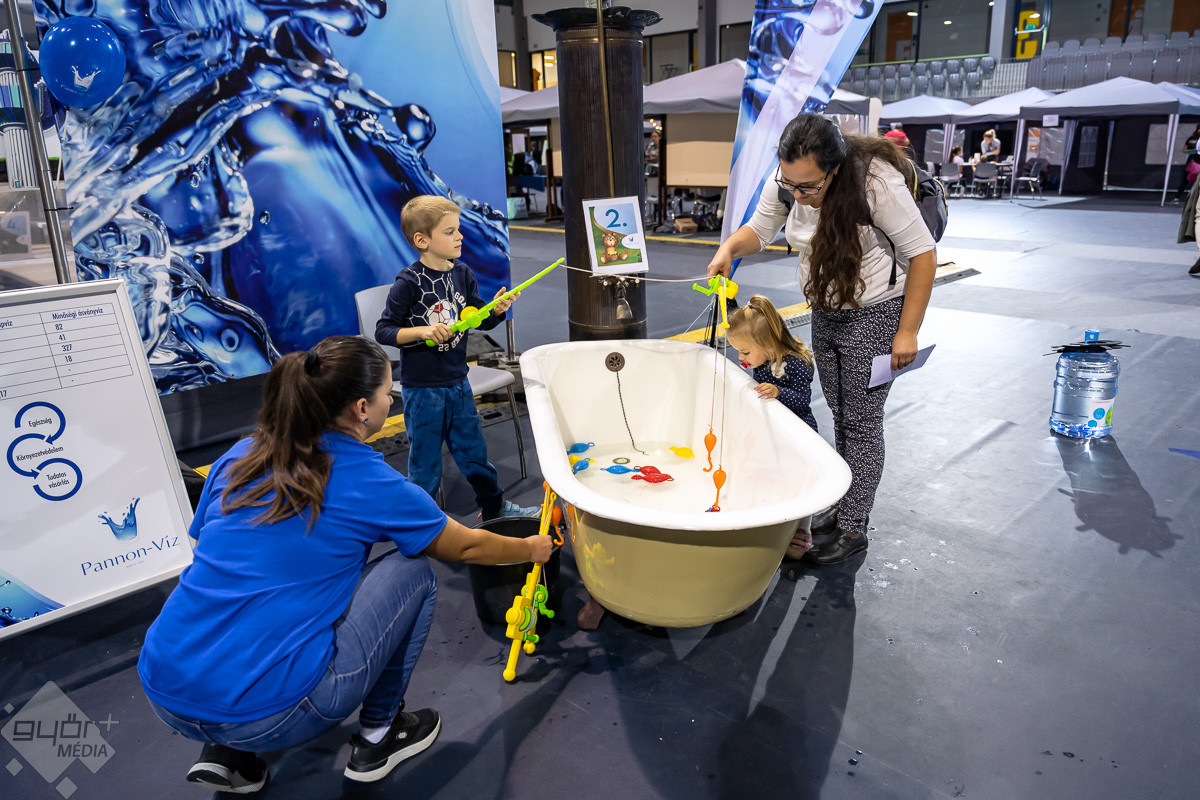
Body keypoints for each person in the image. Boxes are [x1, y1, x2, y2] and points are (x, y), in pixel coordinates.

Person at [138, 336, 555, 792]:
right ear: (361, 409)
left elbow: (205, 549)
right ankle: (380, 735)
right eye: (387, 393)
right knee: (413, 571)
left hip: (164, 688)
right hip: (272, 715)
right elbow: (467, 548)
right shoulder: (371, 481)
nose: (391, 401)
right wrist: (531, 548)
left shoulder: (239, 456)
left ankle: (227, 753)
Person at [706, 113, 937, 565]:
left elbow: (923, 254)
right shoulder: (789, 180)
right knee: (840, 413)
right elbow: (760, 230)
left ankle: (853, 527)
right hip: (826, 309)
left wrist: (907, 331)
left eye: (808, 187)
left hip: (876, 311)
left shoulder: (876, 184)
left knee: (862, 422)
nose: (798, 194)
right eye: (790, 184)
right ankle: (843, 503)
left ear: (835, 168)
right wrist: (729, 248)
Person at [376, 195, 539, 519]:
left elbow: (477, 319)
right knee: (425, 464)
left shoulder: (463, 273)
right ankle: (422, 522)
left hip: (457, 382)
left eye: (458, 229)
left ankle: (494, 508)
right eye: (450, 231)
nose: (460, 236)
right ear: (422, 240)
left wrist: (496, 310)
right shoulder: (409, 282)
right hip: (423, 390)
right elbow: (384, 331)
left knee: (474, 453)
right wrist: (422, 331)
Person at [725, 294, 819, 559]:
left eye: (745, 352)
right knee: (772, 476)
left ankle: (802, 531)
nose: (741, 358)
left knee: (799, 481)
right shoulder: (763, 356)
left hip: (798, 434)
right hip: (772, 431)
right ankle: (771, 522)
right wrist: (727, 296)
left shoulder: (797, 363)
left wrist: (779, 392)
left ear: (766, 343)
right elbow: (737, 319)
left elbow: (803, 400)